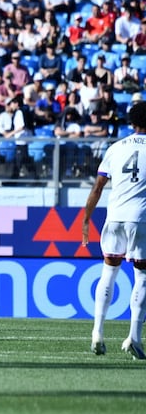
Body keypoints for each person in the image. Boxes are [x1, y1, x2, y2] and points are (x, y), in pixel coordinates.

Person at [82, 101, 146, 359]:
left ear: (132, 122)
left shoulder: (115, 147)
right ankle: (134, 337)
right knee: (142, 276)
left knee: (108, 271)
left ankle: (97, 332)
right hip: (141, 218)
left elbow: (97, 187)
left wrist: (86, 219)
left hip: (115, 216)